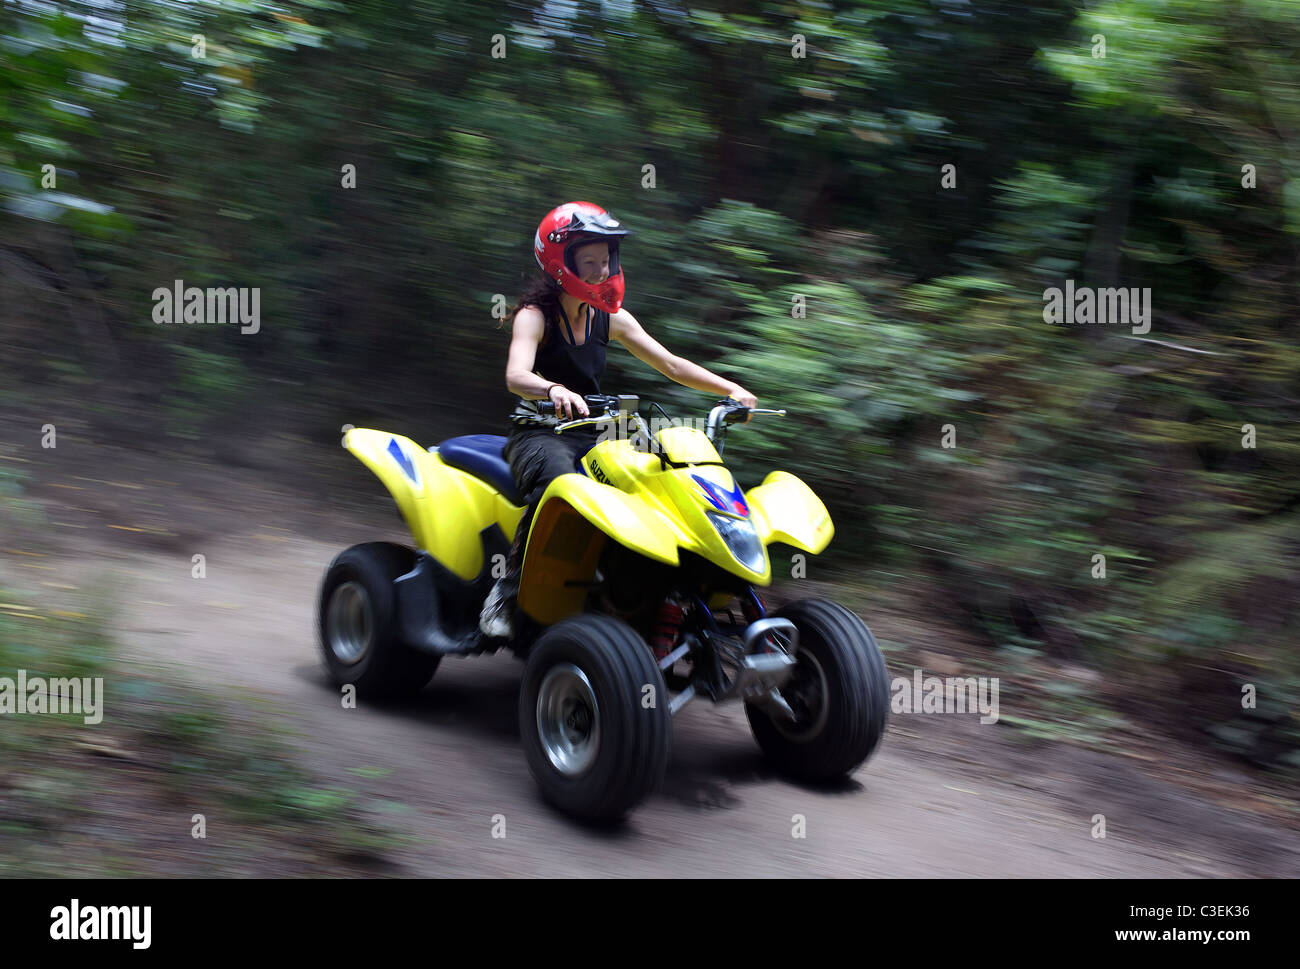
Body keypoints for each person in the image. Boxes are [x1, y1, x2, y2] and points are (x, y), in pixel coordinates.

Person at [479, 200, 757, 638]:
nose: (599, 270)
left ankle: (660, 583)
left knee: (663, 467)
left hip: (602, 431)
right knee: (559, 484)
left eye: (604, 260)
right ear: (560, 262)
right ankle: (508, 588)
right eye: (587, 261)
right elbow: (516, 375)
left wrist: (730, 389)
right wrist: (552, 389)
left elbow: (673, 365)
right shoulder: (535, 316)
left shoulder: (610, 319)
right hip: (540, 432)